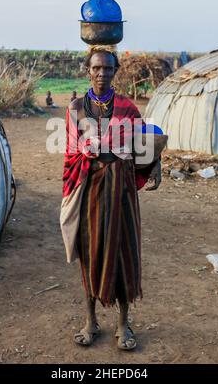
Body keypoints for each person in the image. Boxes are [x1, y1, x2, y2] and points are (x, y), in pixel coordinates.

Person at [60, 49, 166, 351]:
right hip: (90, 185)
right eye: (96, 68)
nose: (102, 74)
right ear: (87, 70)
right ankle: (90, 321)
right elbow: (70, 151)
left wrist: (154, 163)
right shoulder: (76, 108)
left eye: (108, 69)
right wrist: (76, 178)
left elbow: (143, 148)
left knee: (123, 251)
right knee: (90, 251)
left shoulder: (128, 109)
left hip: (120, 187)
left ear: (115, 71)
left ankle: (123, 324)